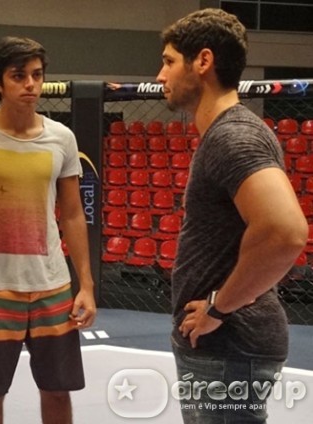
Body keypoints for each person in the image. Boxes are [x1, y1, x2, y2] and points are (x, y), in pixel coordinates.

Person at [156, 9, 308, 423]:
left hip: (228, 345)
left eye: (169, 61)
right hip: (225, 346)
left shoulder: (232, 135)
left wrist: (218, 308)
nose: (160, 75)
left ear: (203, 61)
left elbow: (286, 232)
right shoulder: (230, 132)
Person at [0, 36, 97, 424]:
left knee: (58, 390)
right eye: (18, 76)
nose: (30, 84)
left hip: (53, 287)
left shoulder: (62, 138)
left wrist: (86, 285)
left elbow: (73, 214)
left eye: (37, 75)